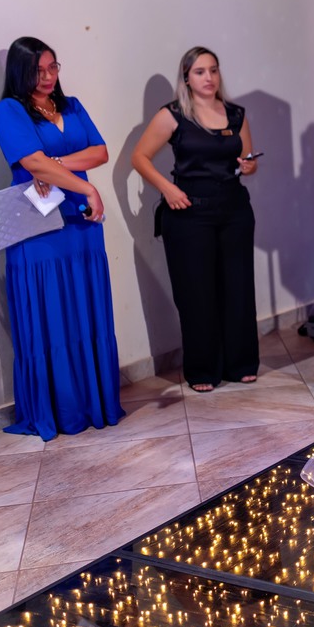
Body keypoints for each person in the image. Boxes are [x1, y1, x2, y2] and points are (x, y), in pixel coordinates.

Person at [0, 37, 124, 440]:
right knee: (49, 312)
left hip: (81, 224)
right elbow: (31, 162)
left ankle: (93, 403)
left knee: (85, 308)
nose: (48, 77)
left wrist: (55, 164)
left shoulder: (72, 105)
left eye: (53, 67)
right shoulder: (9, 110)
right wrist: (86, 187)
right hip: (38, 226)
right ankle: (58, 409)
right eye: (38, 71)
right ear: (21, 72)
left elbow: (100, 152)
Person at [131, 47, 260, 392]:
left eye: (213, 70)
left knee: (238, 288)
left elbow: (248, 160)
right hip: (190, 214)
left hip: (234, 209)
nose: (209, 78)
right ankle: (203, 370)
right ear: (186, 77)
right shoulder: (173, 115)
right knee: (197, 292)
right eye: (200, 72)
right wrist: (168, 189)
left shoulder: (235, 114)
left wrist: (249, 165)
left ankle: (241, 363)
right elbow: (139, 157)